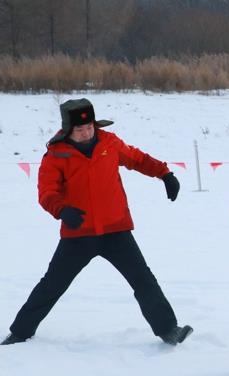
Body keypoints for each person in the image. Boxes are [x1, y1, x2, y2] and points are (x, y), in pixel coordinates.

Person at [1, 98, 192, 347]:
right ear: (69, 130)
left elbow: (138, 159)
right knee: (53, 284)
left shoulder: (108, 142)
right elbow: (46, 194)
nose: (86, 133)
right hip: (78, 234)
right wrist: (62, 210)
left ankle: (169, 330)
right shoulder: (56, 155)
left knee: (143, 280)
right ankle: (20, 332)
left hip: (116, 230)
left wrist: (165, 174)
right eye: (80, 130)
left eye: (89, 127)